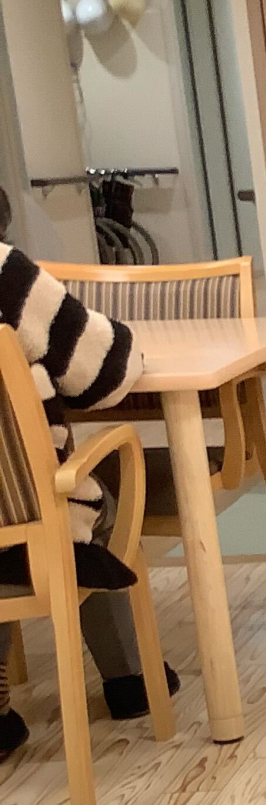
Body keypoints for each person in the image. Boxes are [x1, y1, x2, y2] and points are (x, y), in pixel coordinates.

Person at [0, 185, 179, 762]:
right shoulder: (7, 276)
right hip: (24, 525)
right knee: (79, 509)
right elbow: (104, 371)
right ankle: (131, 680)